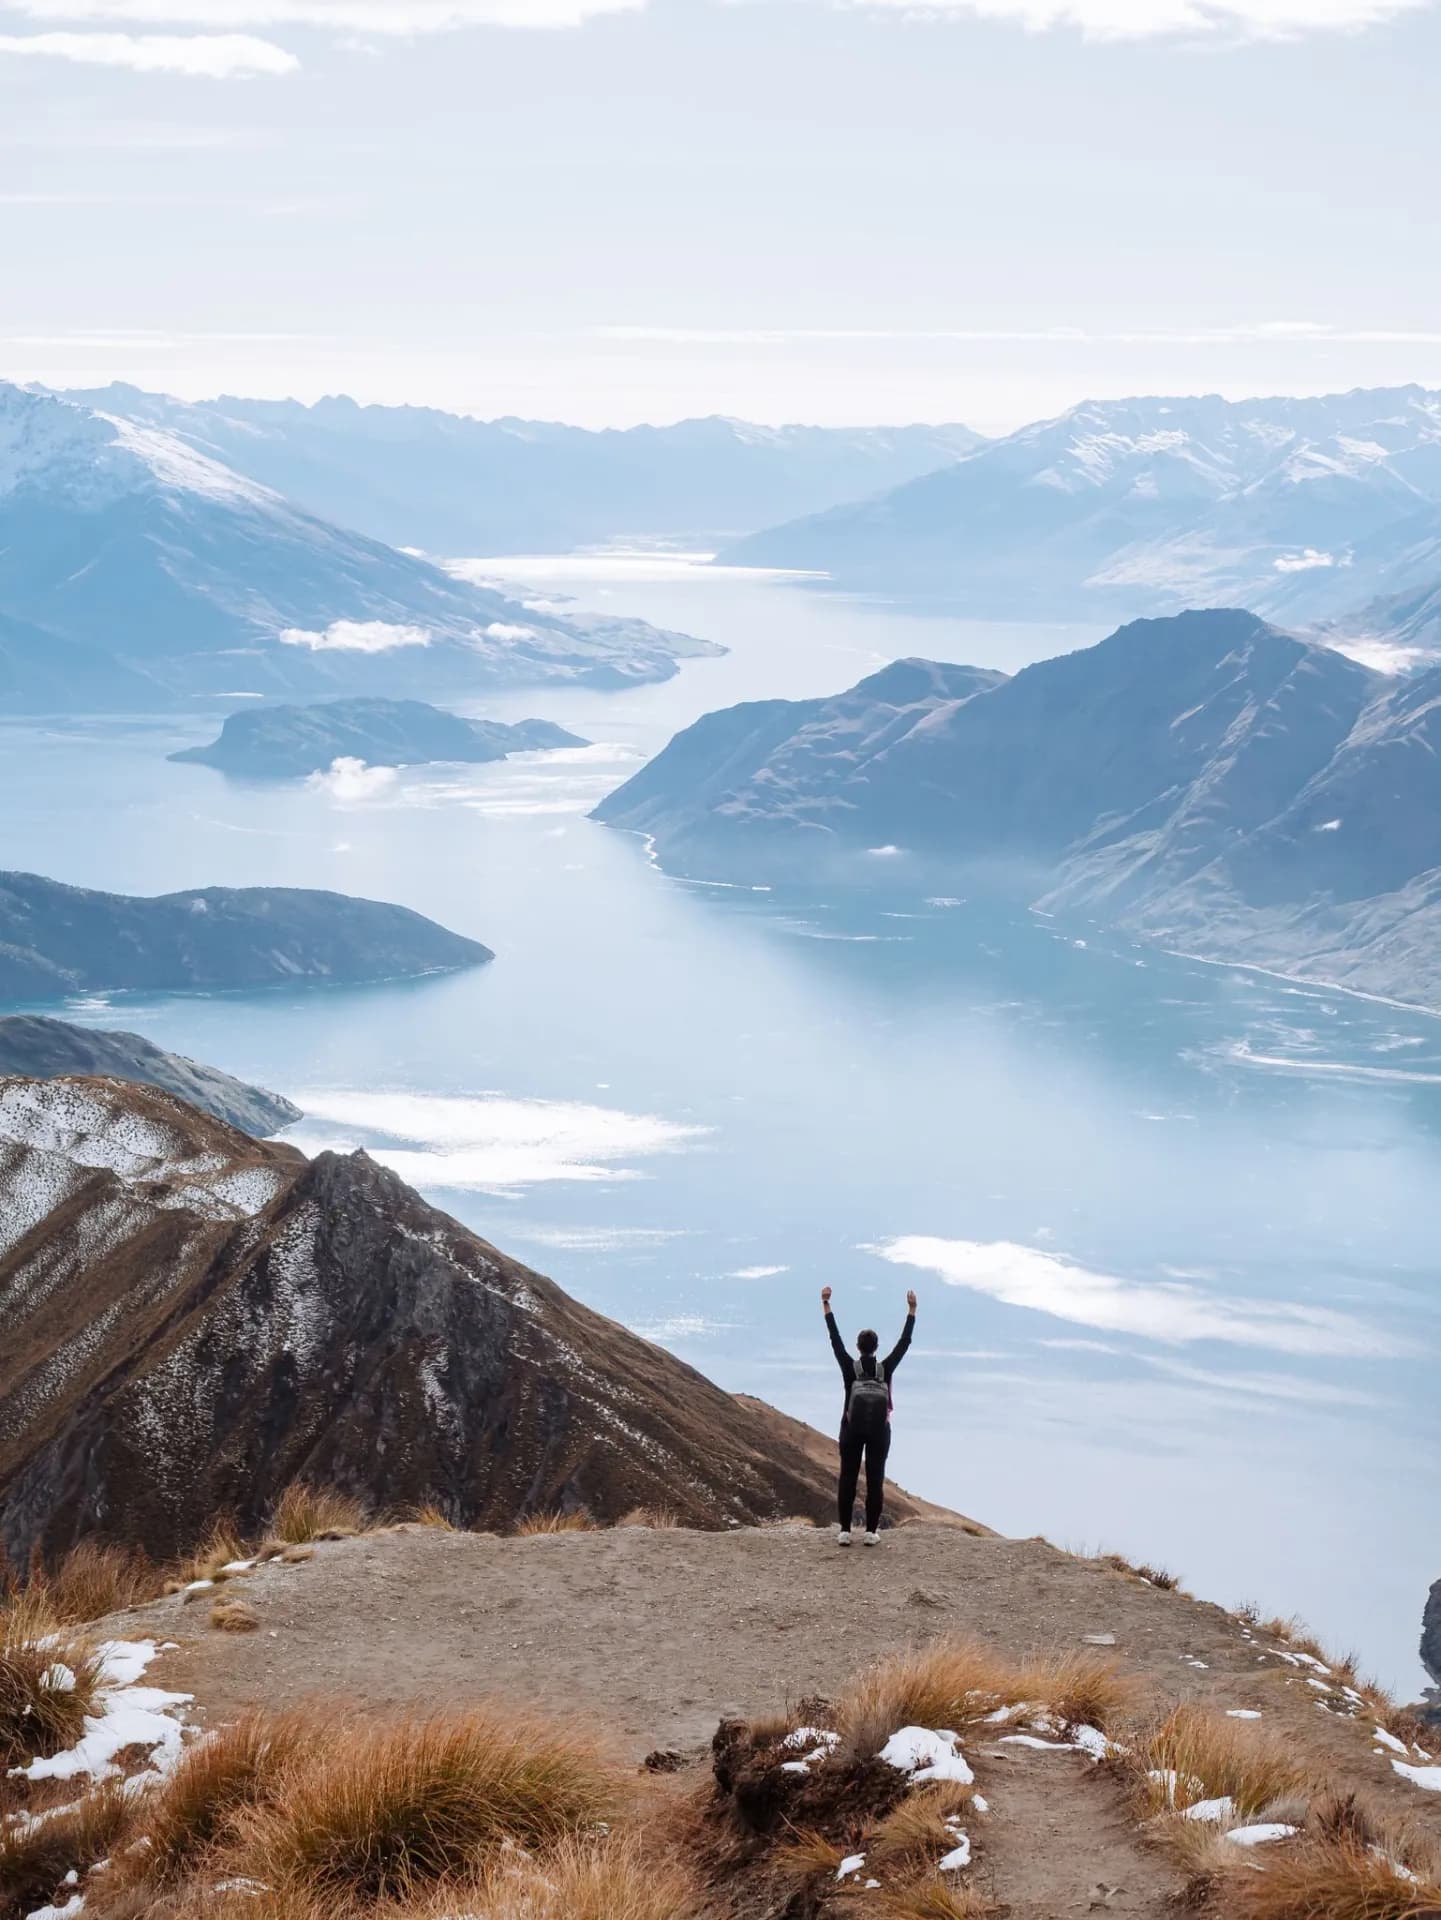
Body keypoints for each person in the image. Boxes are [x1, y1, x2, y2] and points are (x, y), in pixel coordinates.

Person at [821, 1283, 916, 1546]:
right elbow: (904, 1343)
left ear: (859, 1347)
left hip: (850, 1428)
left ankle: (844, 1531)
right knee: (876, 1479)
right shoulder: (886, 1368)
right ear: (875, 1348)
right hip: (879, 1431)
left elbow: (834, 1339)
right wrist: (912, 1310)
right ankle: (872, 1532)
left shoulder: (848, 1367)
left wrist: (826, 1305)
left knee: (848, 1478)